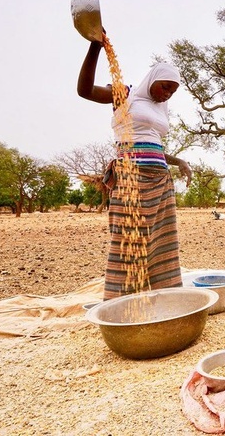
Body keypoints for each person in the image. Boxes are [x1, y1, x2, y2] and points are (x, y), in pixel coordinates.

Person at [77, 38, 192, 301]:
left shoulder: (161, 109)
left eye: (173, 91)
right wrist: (96, 46)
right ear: (152, 79)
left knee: (162, 242)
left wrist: (180, 162)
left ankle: (164, 299)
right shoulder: (125, 94)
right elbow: (84, 90)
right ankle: (122, 304)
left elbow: (153, 144)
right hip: (131, 177)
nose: (168, 94)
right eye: (165, 87)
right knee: (128, 241)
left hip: (161, 180)